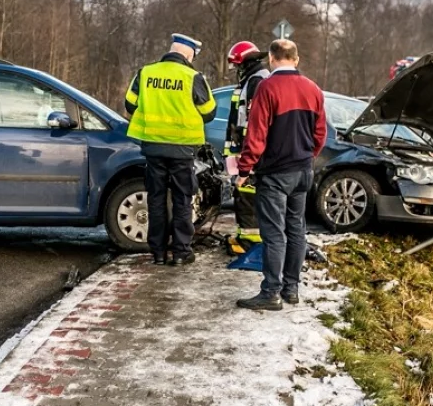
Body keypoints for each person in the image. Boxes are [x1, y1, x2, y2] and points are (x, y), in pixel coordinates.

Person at [234, 39, 327, 310]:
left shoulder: (267, 87)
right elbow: (320, 133)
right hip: (302, 171)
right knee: (296, 229)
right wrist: (308, 156)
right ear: (296, 60)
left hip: (275, 173)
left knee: (274, 234)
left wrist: (244, 168)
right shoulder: (313, 89)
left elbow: (257, 133)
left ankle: (270, 293)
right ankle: (291, 289)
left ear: (273, 59)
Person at [124, 34, 217, 266]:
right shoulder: (193, 77)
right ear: (188, 54)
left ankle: (157, 253)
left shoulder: (145, 73)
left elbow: (129, 104)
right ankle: (181, 252)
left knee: (155, 200)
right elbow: (209, 112)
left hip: (153, 148)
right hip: (182, 150)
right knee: (182, 200)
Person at [224, 41, 270, 252]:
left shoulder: (257, 82)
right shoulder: (253, 80)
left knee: (247, 194)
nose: (236, 70)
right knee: (245, 193)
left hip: (251, 150)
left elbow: (254, 121)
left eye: (237, 65)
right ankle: (247, 237)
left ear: (245, 63)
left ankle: (251, 241)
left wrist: (247, 152)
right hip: (247, 148)